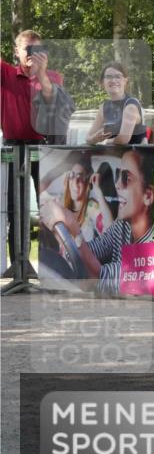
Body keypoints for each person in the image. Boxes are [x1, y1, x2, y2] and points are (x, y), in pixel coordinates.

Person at [1, 30, 74, 277]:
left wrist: (41, 73)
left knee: (50, 209)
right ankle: (20, 267)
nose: (33, 55)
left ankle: (53, 269)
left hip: (44, 149)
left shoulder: (52, 77)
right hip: (14, 148)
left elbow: (53, 100)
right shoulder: (7, 74)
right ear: (16, 52)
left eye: (38, 50)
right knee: (15, 208)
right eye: (28, 50)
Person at [40, 148, 154, 295]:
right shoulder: (122, 227)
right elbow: (90, 251)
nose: (117, 185)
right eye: (117, 176)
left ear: (148, 196)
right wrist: (65, 233)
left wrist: (73, 228)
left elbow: (100, 277)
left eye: (126, 178)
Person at [86, 62, 147, 146]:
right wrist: (95, 138)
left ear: (125, 80)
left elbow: (123, 139)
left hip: (133, 156)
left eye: (118, 76)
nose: (113, 80)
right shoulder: (104, 107)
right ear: (103, 82)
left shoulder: (130, 105)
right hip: (110, 157)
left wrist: (104, 142)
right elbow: (88, 138)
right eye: (108, 77)